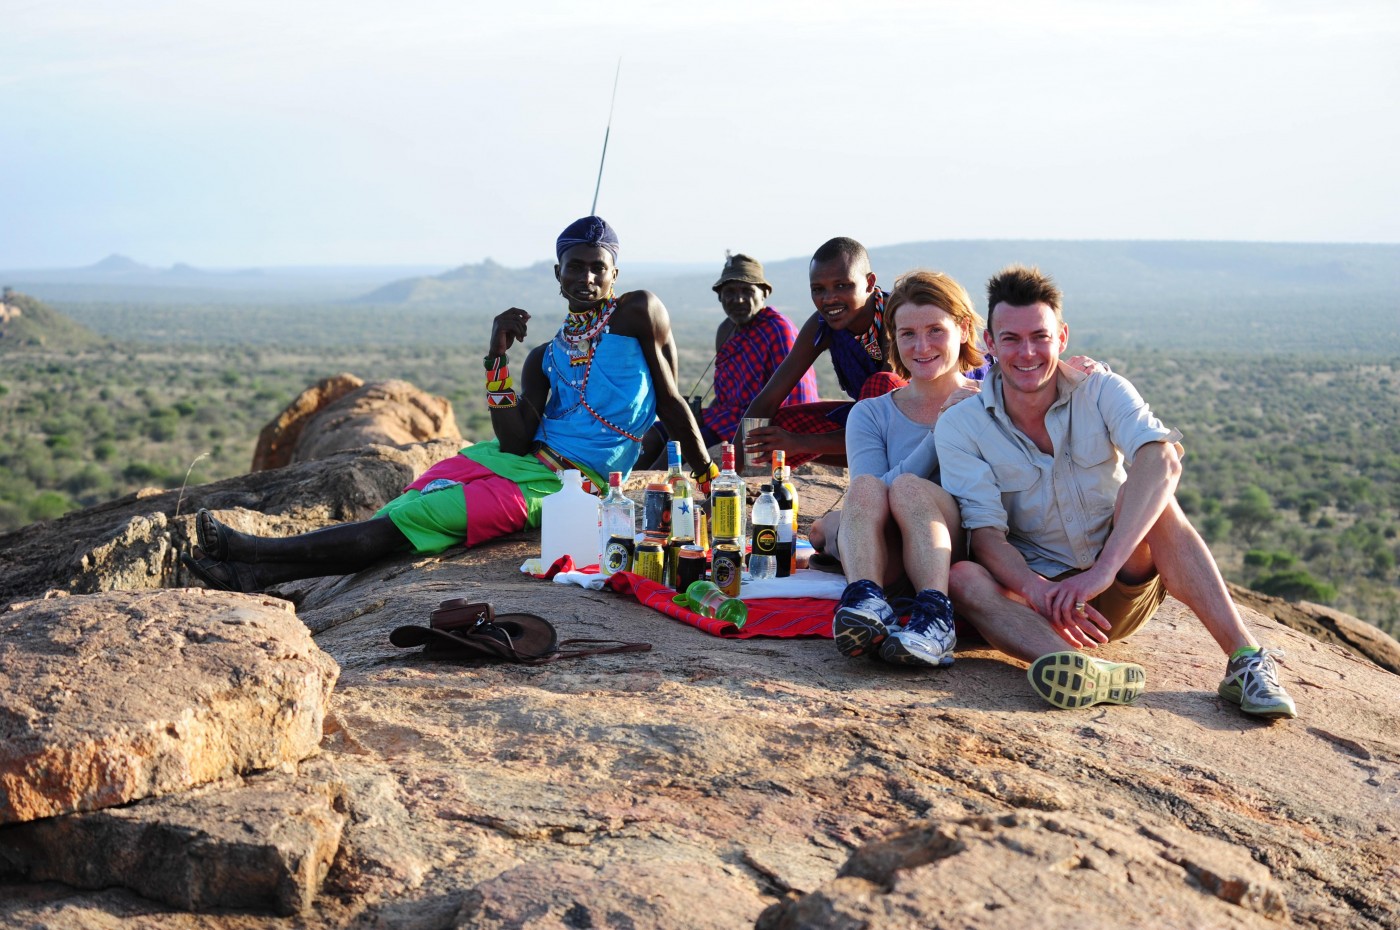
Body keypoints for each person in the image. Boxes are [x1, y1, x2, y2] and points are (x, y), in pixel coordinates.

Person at [182, 216, 716, 592]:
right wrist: (495, 358)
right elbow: (514, 437)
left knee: (413, 521)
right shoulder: (547, 357)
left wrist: (711, 477)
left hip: (567, 486)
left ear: (615, 272)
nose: (587, 278)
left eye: (598, 267)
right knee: (404, 508)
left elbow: (670, 403)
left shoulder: (637, 311)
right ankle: (259, 575)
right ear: (557, 274)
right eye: (574, 267)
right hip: (515, 461)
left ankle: (250, 552)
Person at [937, 264, 1297, 718]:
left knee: (1157, 499)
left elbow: (1162, 459)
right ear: (990, 342)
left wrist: (1104, 570)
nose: (1027, 352)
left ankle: (1246, 662)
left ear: (1062, 336)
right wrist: (1035, 588)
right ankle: (1079, 669)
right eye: (1011, 338)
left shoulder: (1102, 389)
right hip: (1036, 598)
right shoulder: (962, 424)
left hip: (1119, 580)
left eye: (1040, 337)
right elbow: (986, 534)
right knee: (963, 577)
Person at [824, 270, 986, 667]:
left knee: (910, 488)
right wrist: (939, 431)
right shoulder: (871, 413)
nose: (922, 345)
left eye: (935, 330)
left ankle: (936, 615)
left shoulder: (986, 402)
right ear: (893, 338)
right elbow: (872, 491)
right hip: (890, 555)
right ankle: (866, 600)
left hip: (961, 551)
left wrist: (1090, 369)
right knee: (865, 487)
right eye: (908, 333)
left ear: (963, 329)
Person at [739, 237, 907, 469]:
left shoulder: (898, 317)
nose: (829, 299)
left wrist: (799, 443)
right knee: (777, 429)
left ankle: (880, 485)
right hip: (872, 425)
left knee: (882, 385)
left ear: (869, 283)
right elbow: (767, 400)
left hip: (926, 426)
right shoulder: (822, 324)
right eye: (818, 289)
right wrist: (727, 482)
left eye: (842, 285)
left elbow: (886, 411)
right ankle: (756, 485)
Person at [638, 253, 817, 465]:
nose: (738, 299)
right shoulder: (726, 329)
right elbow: (725, 394)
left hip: (757, 423)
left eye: (747, 291)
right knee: (651, 438)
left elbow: (787, 401)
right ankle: (623, 490)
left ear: (765, 293)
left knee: (681, 446)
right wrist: (696, 416)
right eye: (729, 292)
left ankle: (652, 492)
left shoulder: (778, 330)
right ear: (719, 297)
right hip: (725, 418)